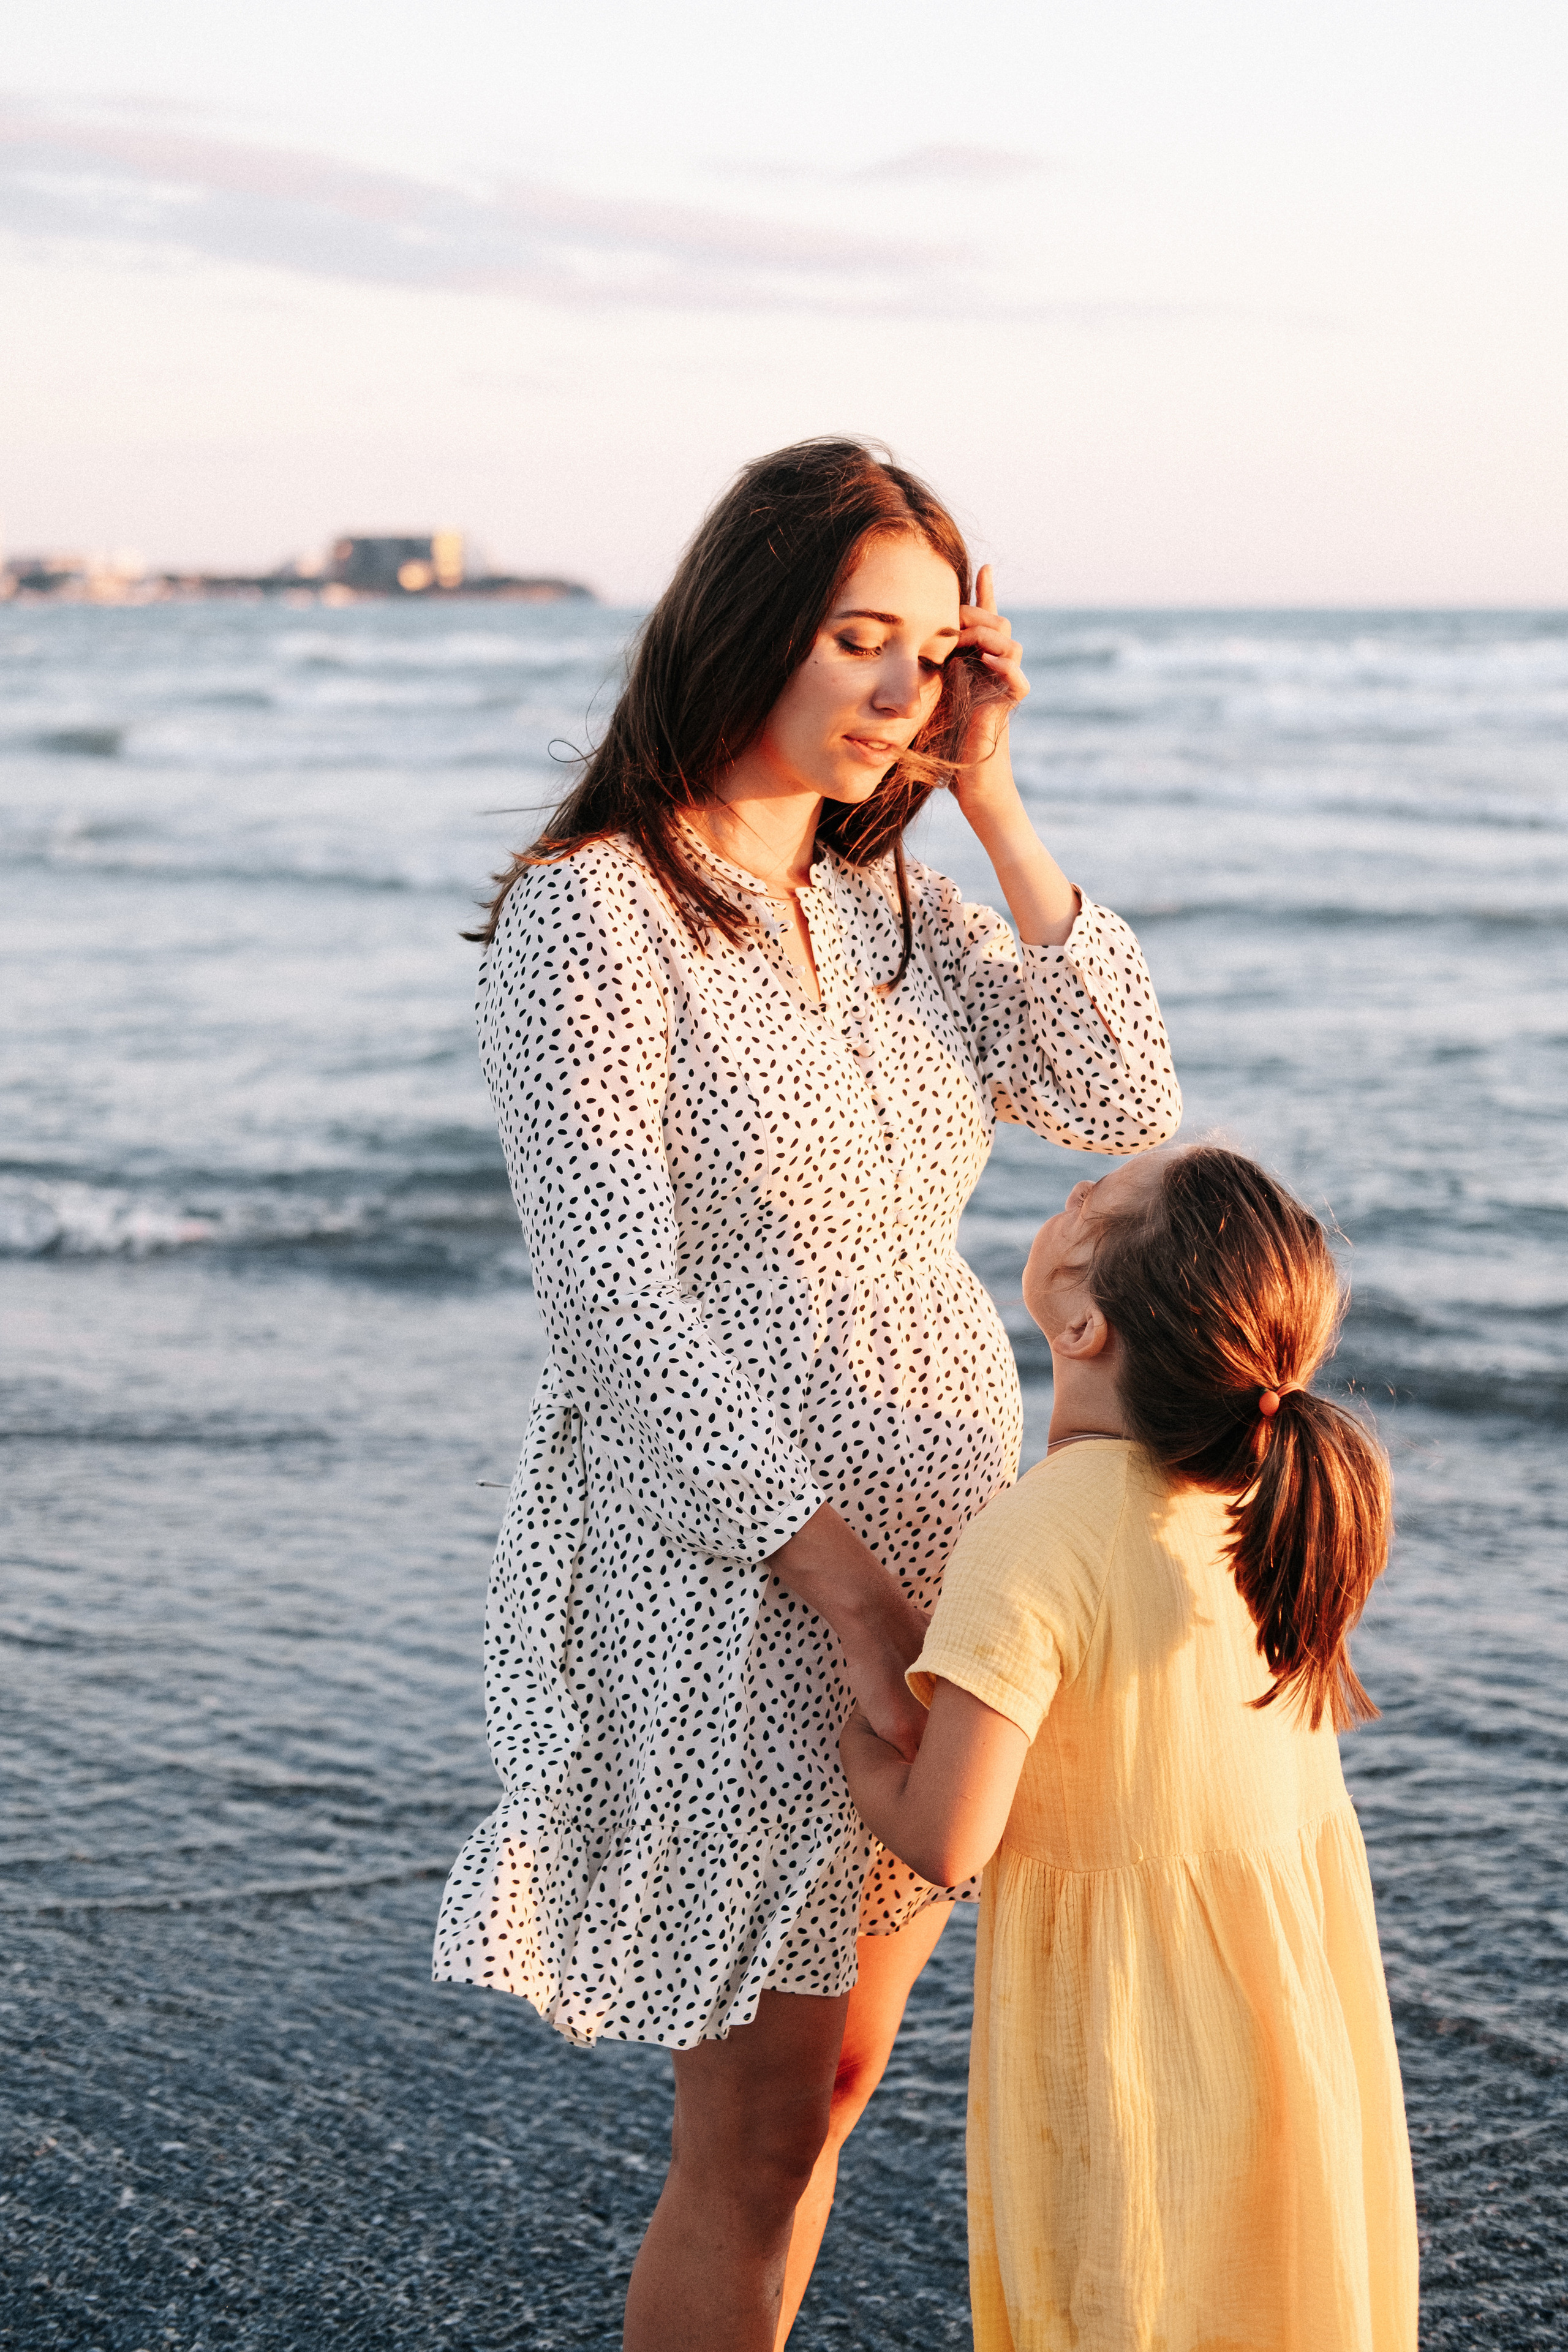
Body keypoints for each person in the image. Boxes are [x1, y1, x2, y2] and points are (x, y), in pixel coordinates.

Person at [432, 437, 1182, 2349]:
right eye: (858, 637)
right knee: (758, 2121)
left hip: (949, 1526)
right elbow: (613, 1304)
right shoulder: (595, 916)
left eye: (929, 656)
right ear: (749, 621)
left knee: (838, 2082)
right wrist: (844, 1589)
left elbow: (1126, 1111)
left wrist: (996, 803)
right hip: (741, 1549)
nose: (895, 690)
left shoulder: (900, 910)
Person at [842, 1144, 1420, 2352]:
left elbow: (947, 1838)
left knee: (1123, 2304)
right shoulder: (1267, 1502)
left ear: (1084, 1319)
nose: (1066, 1194)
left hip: (1127, 2047)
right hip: (1287, 2015)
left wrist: (853, 1720)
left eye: (1090, 1207)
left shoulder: (1032, 1533)